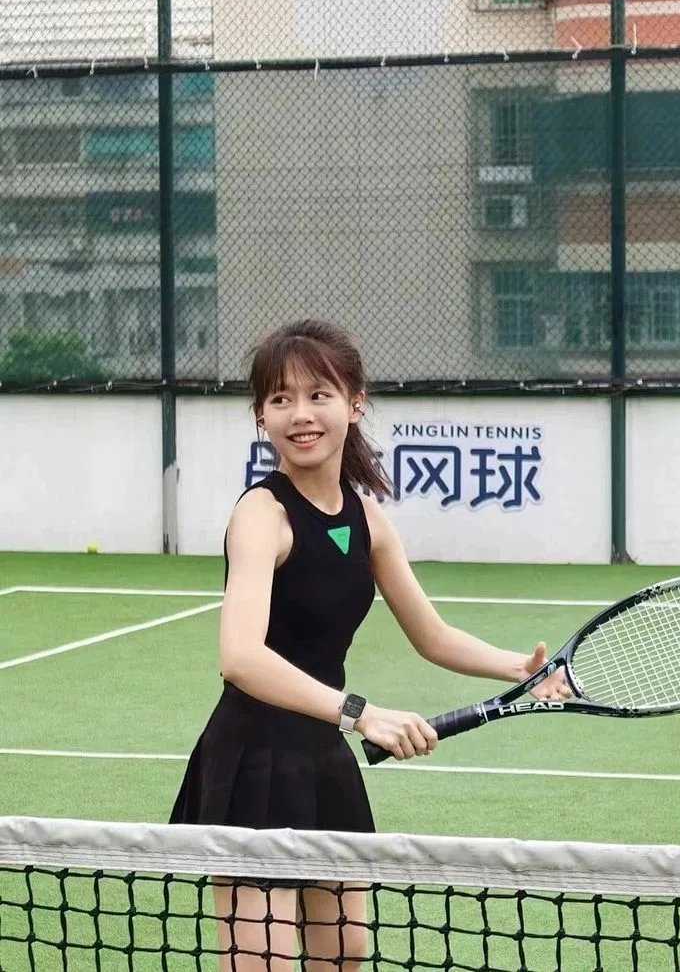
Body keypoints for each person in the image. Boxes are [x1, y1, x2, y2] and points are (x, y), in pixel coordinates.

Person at [169, 318, 571, 971]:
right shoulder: (261, 515)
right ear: (261, 416)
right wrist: (361, 713)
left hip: (323, 761)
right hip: (251, 763)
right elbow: (240, 658)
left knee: (346, 951)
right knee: (262, 961)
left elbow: (432, 635)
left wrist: (523, 671)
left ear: (355, 404)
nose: (301, 414)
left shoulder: (367, 518)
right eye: (280, 399)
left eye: (319, 395)